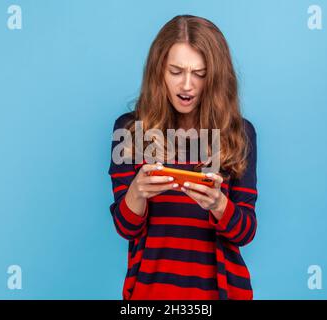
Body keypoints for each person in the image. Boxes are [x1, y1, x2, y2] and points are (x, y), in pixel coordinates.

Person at [108, 15, 258, 300]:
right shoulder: (130, 130)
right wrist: (137, 193)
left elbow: (245, 232)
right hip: (148, 292)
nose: (186, 85)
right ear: (159, 71)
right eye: (175, 71)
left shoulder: (239, 133)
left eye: (199, 74)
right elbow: (126, 228)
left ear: (214, 77)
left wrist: (219, 204)